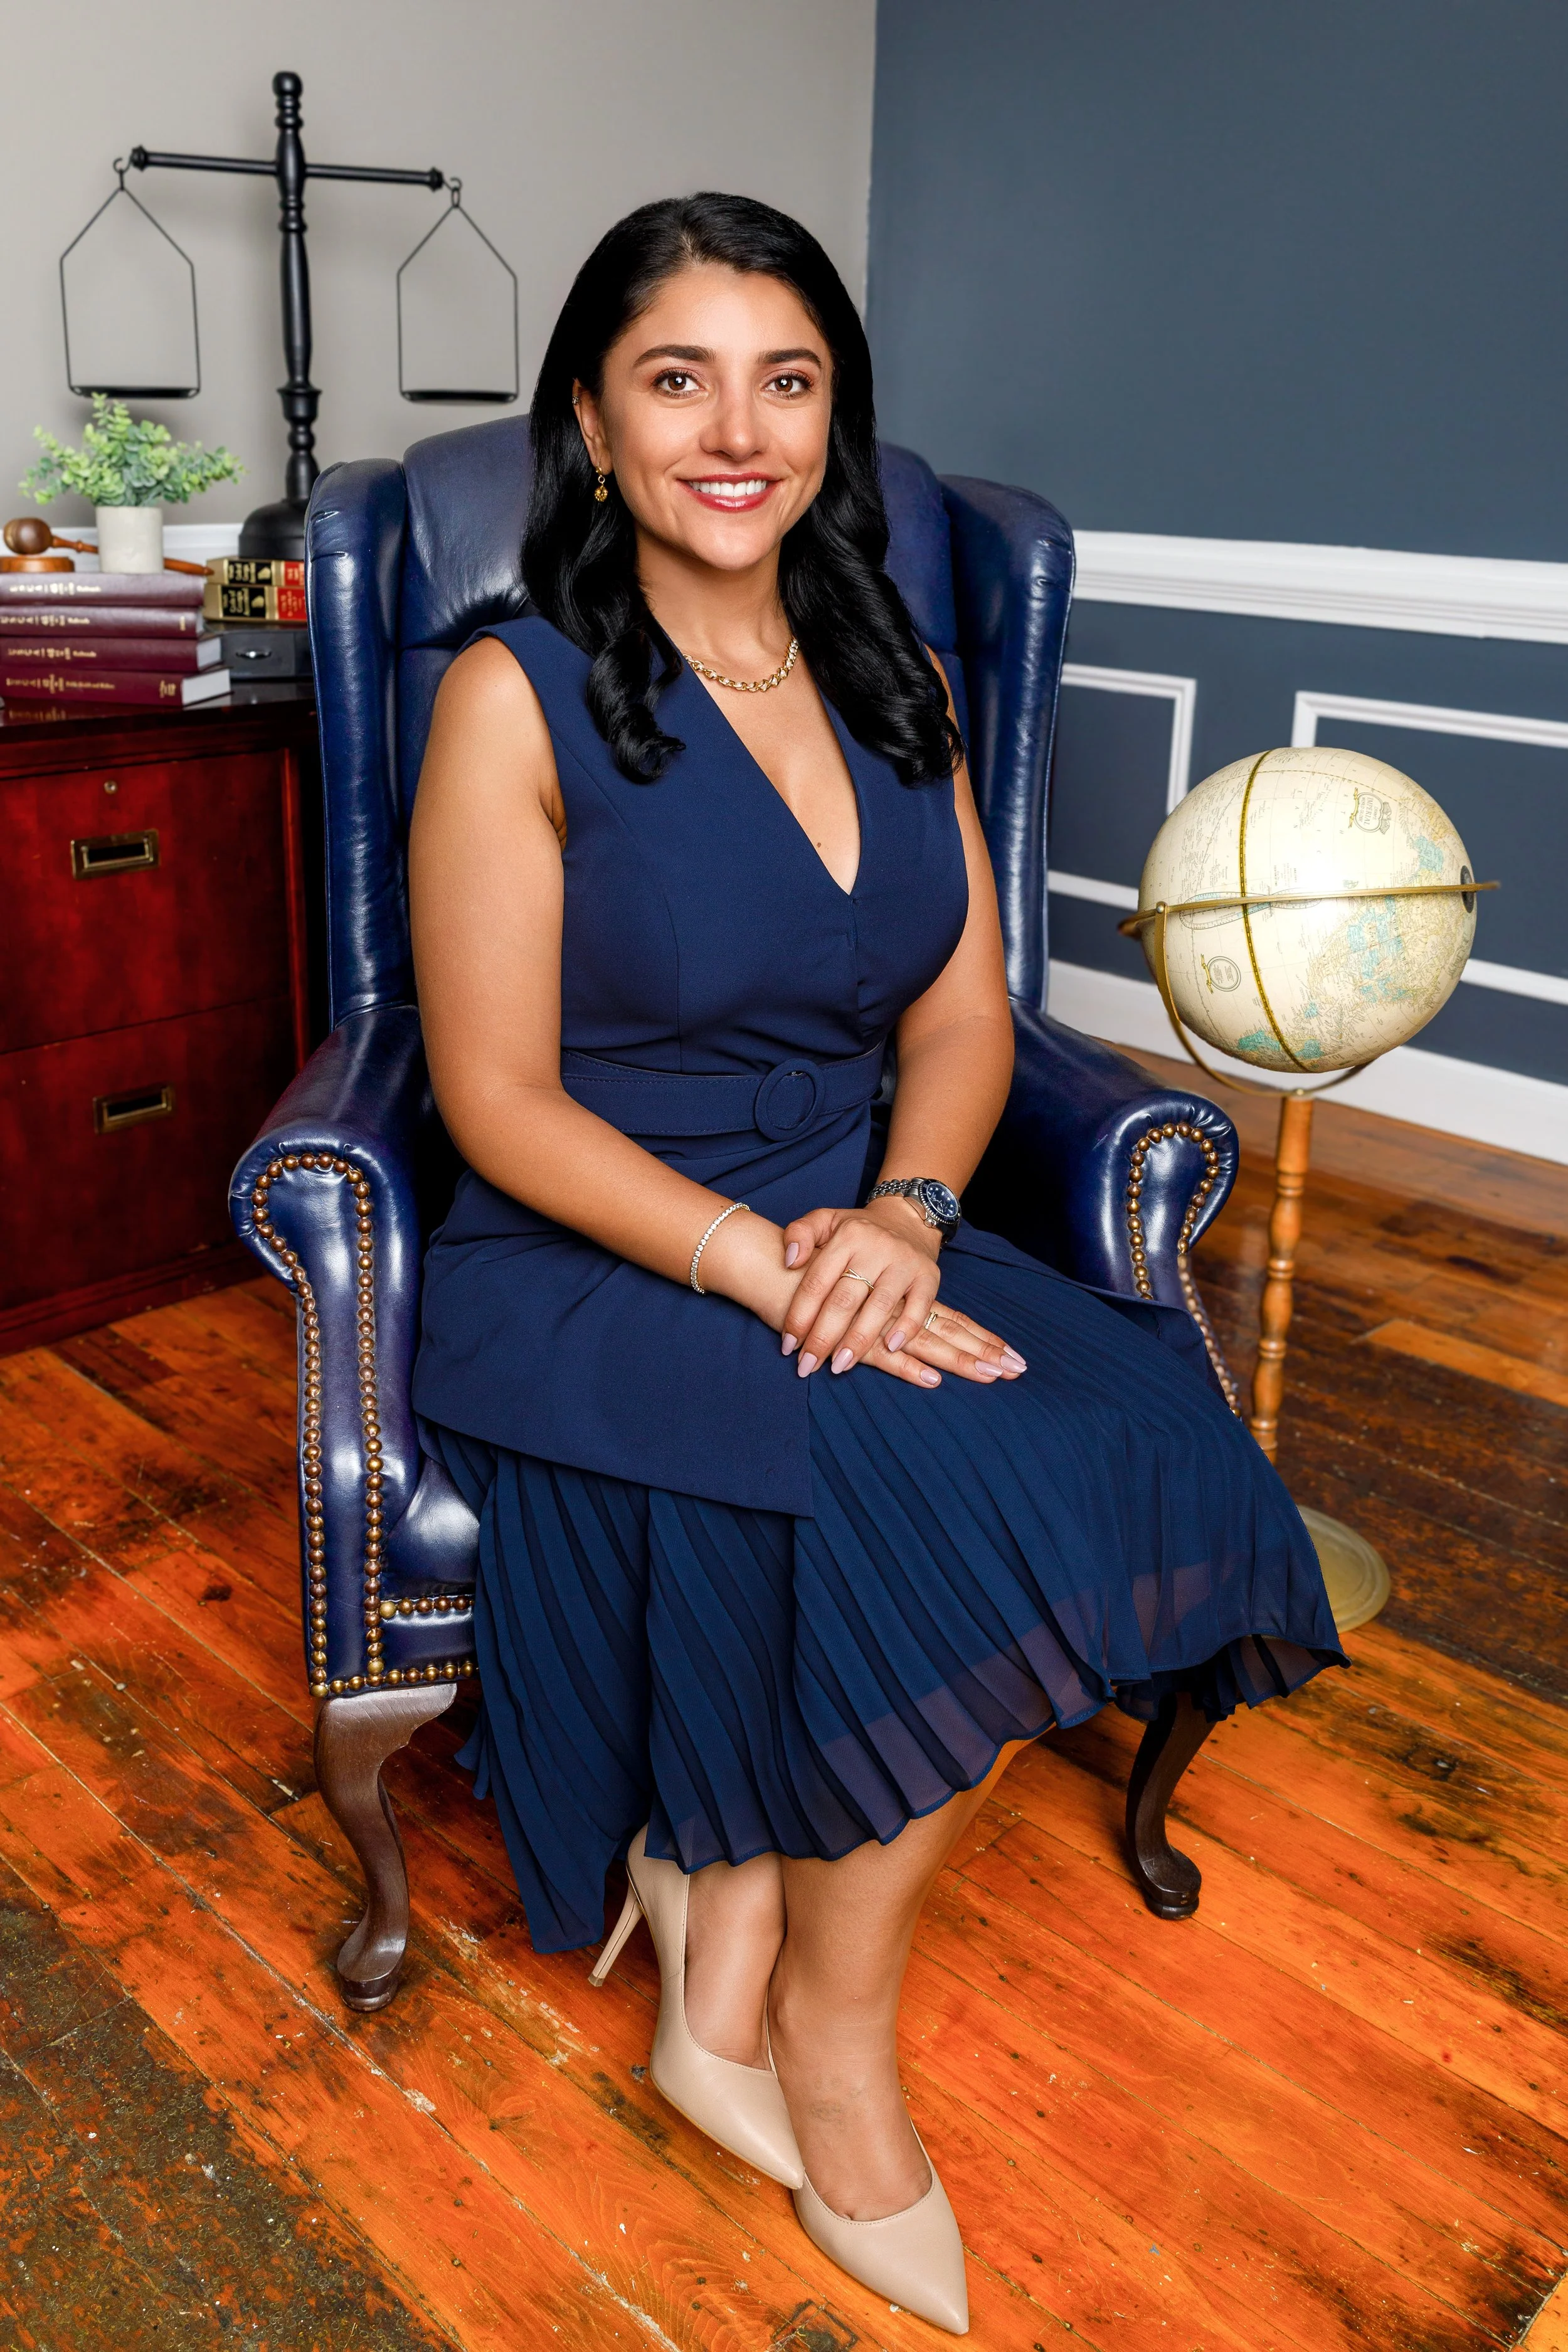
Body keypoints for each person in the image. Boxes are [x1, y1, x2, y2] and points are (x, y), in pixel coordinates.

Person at [408, 191, 1343, 2335]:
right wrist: (763, 1263)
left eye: (788, 378)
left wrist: (905, 1218)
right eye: (677, 379)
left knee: (1151, 1458)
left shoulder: (892, 668)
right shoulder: (512, 695)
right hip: (605, 1255)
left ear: (836, 413)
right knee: (961, 1501)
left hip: (857, 1224)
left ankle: (718, 1898)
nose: (736, 431)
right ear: (591, 420)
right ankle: (813, 2035)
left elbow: (958, 1020)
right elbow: (494, 1104)